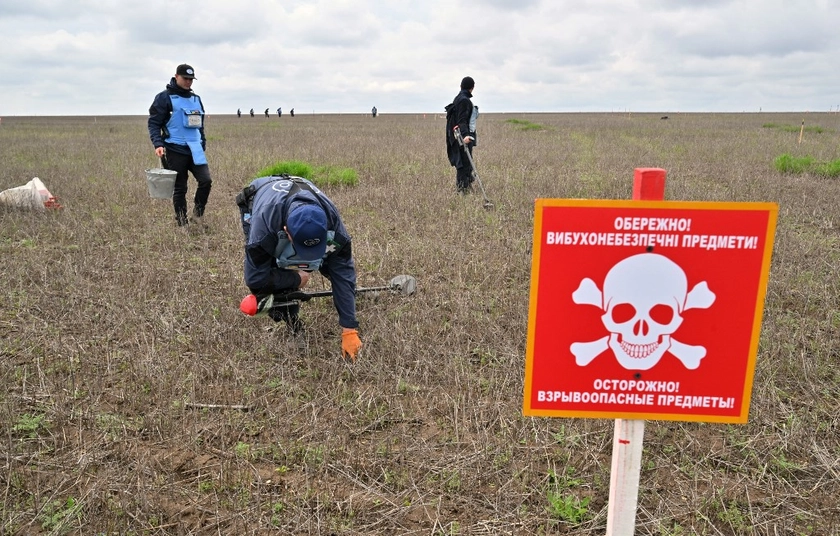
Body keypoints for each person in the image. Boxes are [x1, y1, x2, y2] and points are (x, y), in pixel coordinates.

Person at [236, 175, 362, 360]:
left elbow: (342, 271)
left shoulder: (333, 222)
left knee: (335, 266)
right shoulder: (263, 231)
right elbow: (255, 278)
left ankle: (348, 300)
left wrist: (349, 329)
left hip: (295, 194)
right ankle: (292, 323)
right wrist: (295, 279)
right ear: (287, 232)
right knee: (264, 284)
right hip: (259, 198)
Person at [148, 63, 212, 227]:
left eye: (191, 79)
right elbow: (154, 123)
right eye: (185, 78)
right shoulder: (164, 98)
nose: (188, 82)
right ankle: (182, 223)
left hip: (196, 149)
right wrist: (158, 143)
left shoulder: (196, 99)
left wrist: (202, 142)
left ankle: (197, 217)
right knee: (180, 188)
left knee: (205, 181)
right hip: (175, 148)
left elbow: (200, 125)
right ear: (176, 77)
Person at [445, 76, 476, 193]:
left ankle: (466, 187)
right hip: (461, 137)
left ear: (461, 86)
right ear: (472, 88)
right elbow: (462, 120)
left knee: (466, 164)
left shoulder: (458, 98)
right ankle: (462, 191)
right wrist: (465, 135)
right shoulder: (464, 100)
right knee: (463, 164)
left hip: (455, 136)